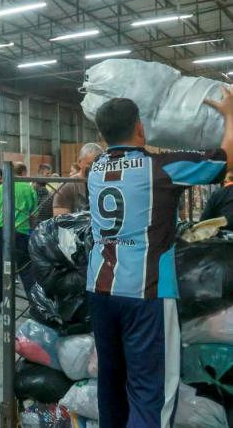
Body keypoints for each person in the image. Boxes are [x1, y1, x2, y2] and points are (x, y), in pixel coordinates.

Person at [87, 95, 233, 428]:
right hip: (146, 292)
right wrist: (230, 114)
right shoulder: (163, 167)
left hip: (99, 289)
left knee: (111, 384)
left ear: (102, 136)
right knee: (150, 391)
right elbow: (228, 158)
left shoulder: (94, 168)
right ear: (140, 128)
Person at [0, 162, 38, 316]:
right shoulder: (29, 189)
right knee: (26, 270)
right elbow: (33, 215)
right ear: (23, 173)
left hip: (3, 233)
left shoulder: (0, 189)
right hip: (22, 233)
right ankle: (34, 305)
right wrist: (29, 228)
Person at [52, 143, 104, 216]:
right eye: (91, 164)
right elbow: (60, 221)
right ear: (79, 162)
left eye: (100, 165)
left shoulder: (105, 183)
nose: (96, 168)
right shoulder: (67, 187)